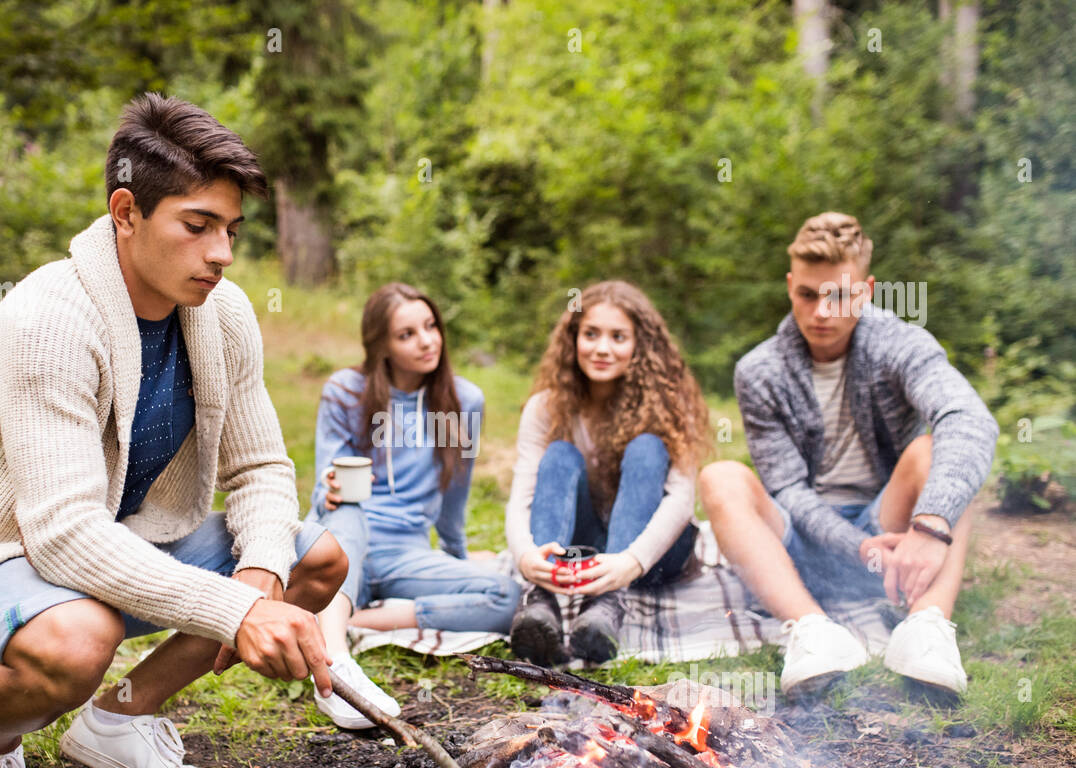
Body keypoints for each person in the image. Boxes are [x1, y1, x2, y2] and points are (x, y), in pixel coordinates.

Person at [0, 93, 347, 768]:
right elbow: (64, 533)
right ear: (126, 212)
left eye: (231, 231)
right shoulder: (47, 323)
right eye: (198, 225)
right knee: (78, 641)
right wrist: (237, 610)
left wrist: (260, 573)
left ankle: (117, 721)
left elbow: (262, 467)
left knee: (312, 560)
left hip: (121, 538)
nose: (222, 254)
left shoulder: (225, 314)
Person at [699, 212, 998, 698]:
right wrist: (854, 546)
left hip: (893, 535)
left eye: (839, 295)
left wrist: (930, 525)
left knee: (936, 452)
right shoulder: (759, 370)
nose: (822, 312)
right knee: (720, 477)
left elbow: (969, 418)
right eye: (808, 294)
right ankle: (813, 631)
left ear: (867, 289)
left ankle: (926, 627)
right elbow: (787, 490)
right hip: (801, 546)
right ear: (790, 285)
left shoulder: (901, 344)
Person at [307, 282, 521, 728]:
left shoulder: (463, 402)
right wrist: (329, 488)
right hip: (343, 543)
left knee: (507, 594)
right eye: (407, 334)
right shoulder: (347, 390)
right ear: (381, 344)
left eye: (430, 326)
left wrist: (456, 557)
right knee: (347, 509)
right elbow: (324, 485)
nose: (427, 341)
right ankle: (335, 660)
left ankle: (357, 619)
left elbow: (455, 493)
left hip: (406, 552)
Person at [506, 280, 709, 666]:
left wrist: (630, 562)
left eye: (618, 337)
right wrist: (525, 555)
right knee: (560, 453)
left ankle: (608, 605)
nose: (602, 348)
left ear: (640, 346)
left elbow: (682, 500)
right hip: (584, 550)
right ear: (573, 339)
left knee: (647, 447)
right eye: (591, 334)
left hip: (656, 555)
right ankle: (540, 602)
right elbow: (522, 494)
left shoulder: (667, 407)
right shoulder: (545, 408)